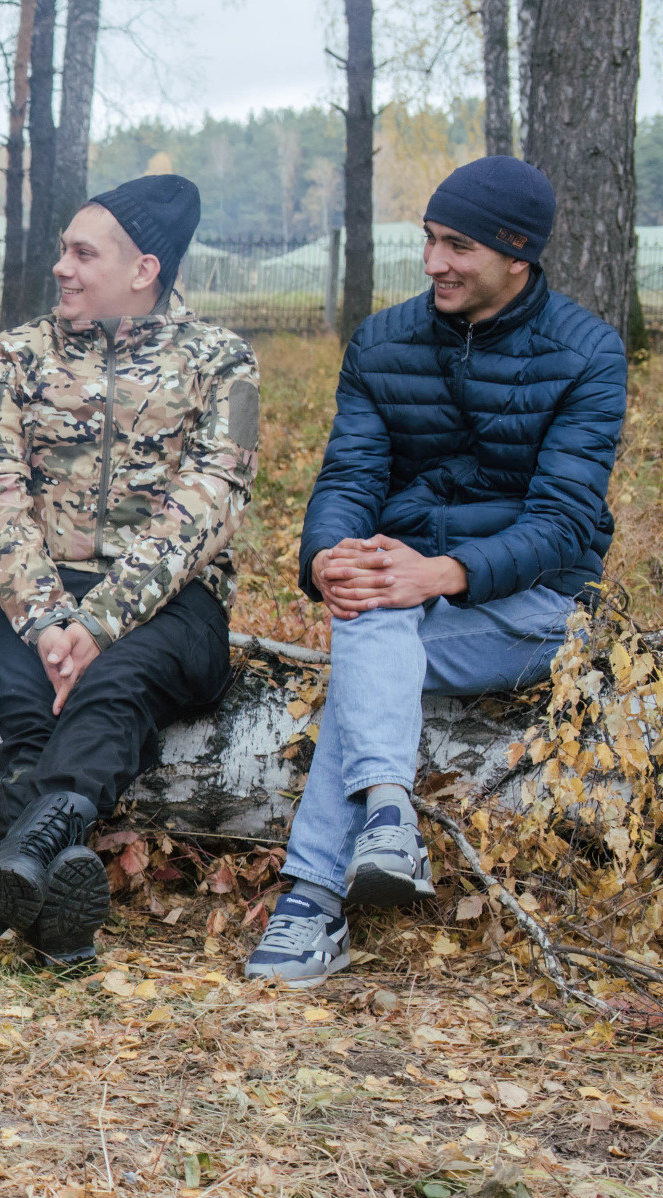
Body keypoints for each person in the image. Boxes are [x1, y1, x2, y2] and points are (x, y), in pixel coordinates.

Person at [244, 157, 626, 985]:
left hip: (538, 611)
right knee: (373, 609)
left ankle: (310, 897)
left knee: (378, 628)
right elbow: (348, 482)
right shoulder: (383, 343)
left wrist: (442, 573)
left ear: (517, 255)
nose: (433, 263)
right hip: (408, 603)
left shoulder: (588, 354)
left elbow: (563, 526)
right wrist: (329, 558)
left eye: (459, 246)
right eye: (428, 239)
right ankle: (388, 817)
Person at [0, 176, 259, 966]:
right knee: (16, 686)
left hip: (171, 605)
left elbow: (210, 501)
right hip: (38, 591)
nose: (62, 268)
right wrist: (48, 620)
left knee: (117, 681)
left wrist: (100, 623)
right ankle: (53, 895)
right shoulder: (18, 356)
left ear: (144, 269)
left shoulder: (220, 362)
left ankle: (24, 855)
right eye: (62, 251)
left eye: (84, 253)